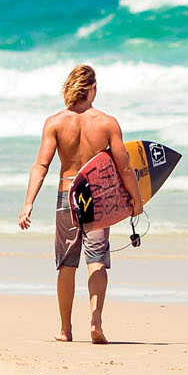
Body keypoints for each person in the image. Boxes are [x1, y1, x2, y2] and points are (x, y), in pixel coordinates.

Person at [18, 64, 134, 344]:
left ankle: (65, 330)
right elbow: (126, 167)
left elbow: (41, 165)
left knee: (67, 264)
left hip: (66, 195)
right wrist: (136, 201)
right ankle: (96, 322)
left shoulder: (55, 122)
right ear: (92, 88)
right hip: (97, 197)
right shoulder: (107, 123)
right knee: (96, 261)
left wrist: (28, 203)